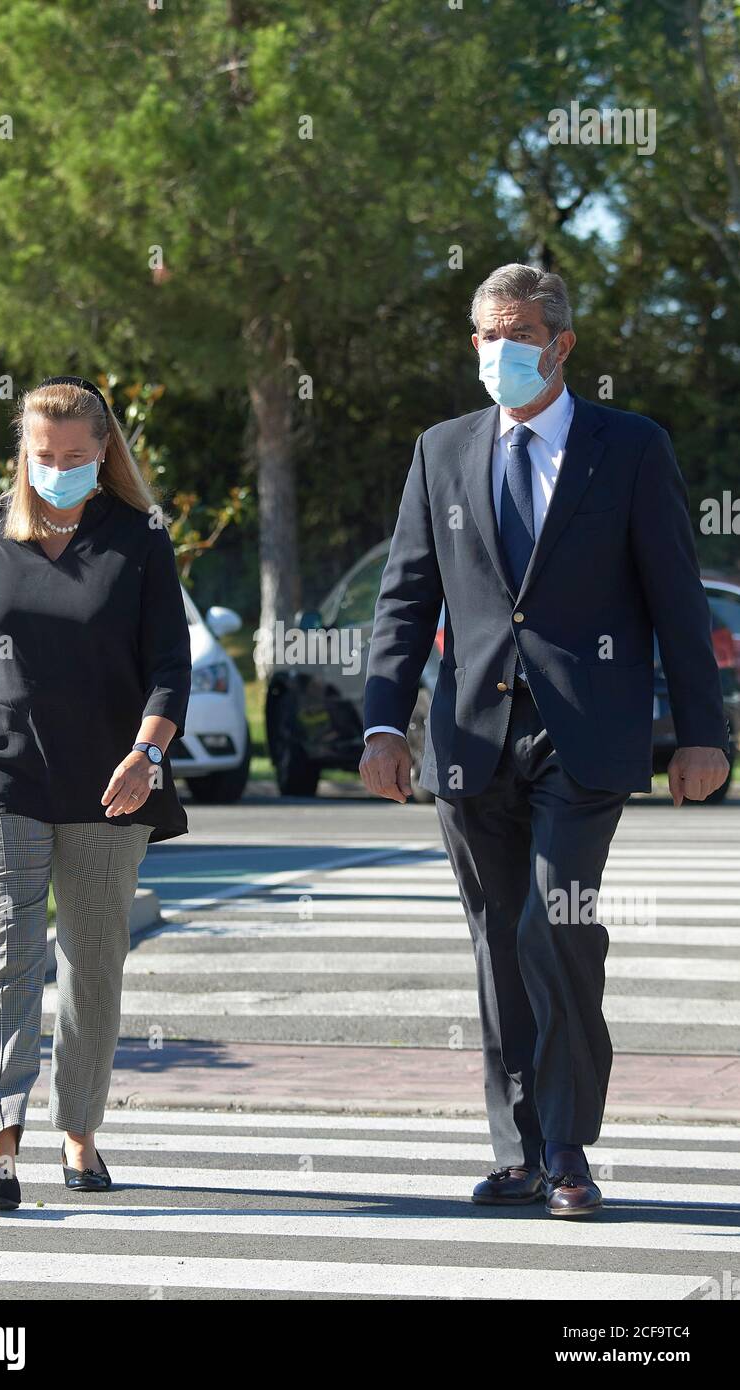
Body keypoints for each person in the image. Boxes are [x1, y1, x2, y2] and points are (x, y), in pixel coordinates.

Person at [360, 265, 729, 1217]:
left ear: (562, 347)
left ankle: (568, 1147)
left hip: (586, 737)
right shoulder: (441, 450)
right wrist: (381, 724)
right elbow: (405, 599)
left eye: (515, 334)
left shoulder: (632, 448)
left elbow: (678, 602)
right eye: (483, 334)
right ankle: (519, 1149)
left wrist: (701, 735)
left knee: (553, 927)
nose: (495, 351)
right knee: (496, 943)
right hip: (470, 737)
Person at [0, 375, 192, 1211]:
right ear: (23, 450)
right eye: (43, 455)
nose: (58, 468)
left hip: (113, 783)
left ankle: (80, 1132)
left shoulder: (139, 538)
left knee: (93, 963)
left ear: (105, 451)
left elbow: (169, 668)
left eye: (76, 456)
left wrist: (147, 754)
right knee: (6, 952)